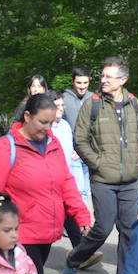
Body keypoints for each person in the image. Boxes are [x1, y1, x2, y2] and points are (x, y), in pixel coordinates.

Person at [0, 93, 92, 274]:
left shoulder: (52, 144)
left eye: (52, 122)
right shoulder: (5, 148)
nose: (47, 128)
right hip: (18, 238)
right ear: (27, 116)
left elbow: (66, 182)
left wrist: (81, 215)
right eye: (43, 122)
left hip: (45, 234)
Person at [62, 56, 138, 274]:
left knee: (129, 231)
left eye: (108, 77)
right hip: (103, 179)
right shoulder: (93, 103)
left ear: (123, 79)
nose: (103, 80)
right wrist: (97, 163)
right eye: (102, 75)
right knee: (103, 227)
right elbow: (79, 139)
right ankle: (74, 259)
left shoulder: (134, 103)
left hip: (131, 181)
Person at [50, 91, 89, 249]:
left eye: (62, 105)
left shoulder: (65, 126)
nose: (61, 109)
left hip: (65, 180)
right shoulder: (44, 129)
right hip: (50, 182)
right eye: (57, 106)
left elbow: (71, 151)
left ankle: (80, 253)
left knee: (70, 216)